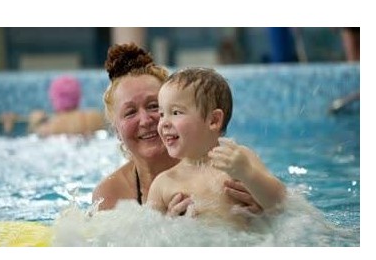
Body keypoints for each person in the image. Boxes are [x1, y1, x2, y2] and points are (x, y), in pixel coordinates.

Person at [91, 43, 261, 214]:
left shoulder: (229, 169)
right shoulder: (109, 195)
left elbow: (275, 205)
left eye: (154, 106)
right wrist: (169, 227)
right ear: (116, 131)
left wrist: (263, 211)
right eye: (130, 113)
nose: (145, 120)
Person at [147, 67, 287, 229]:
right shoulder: (162, 184)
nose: (164, 122)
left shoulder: (238, 160)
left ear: (213, 120)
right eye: (162, 114)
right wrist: (169, 225)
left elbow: (281, 203)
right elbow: (149, 236)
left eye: (176, 112)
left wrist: (248, 174)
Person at [27, 75, 106, 137]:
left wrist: (36, 122)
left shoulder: (50, 127)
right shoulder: (94, 118)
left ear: (54, 99)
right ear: (78, 95)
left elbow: (34, 134)